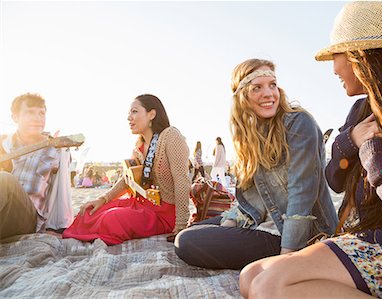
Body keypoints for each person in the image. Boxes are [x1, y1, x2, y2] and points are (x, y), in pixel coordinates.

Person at [239, 2, 382, 298]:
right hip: (363, 241)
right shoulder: (362, 110)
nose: (334, 67)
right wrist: (351, 140)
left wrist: (374, 154)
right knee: (251, 275)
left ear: (359, 57)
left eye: (336, 55)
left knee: (270, 285)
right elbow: (334, 177)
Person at [174, 58, 338, 270]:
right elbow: (249, 199)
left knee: (187, 243)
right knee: (188, 234)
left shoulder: (298, 123)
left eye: (272, 85)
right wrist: (231, 223)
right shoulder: (249, 137)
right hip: (258, 221)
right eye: (257, 88)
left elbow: (302, 192)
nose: (269, 93)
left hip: (295, 235)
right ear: (243, 96)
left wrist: (287, 258)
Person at [62, 94, 191, 245]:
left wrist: (181, 225)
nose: (129, 117)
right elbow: (127, 179)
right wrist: (102, 199)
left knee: (111, 219)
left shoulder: (170, 136)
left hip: (162, 214)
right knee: (90, 212)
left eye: (134, 111)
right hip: (139, 204)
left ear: (152, 114)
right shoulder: (138, 146)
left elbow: (182, 180)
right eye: (129, 113)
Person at [0, 93, 73, 240]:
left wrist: (57, 228)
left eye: (41, 113)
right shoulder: (3, 144)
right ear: (15, 117)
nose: (38, 118)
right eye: (30, 112)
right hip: (3, 212)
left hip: (27, 219)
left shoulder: (55, 148)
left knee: (5, 180)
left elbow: (61, 189)